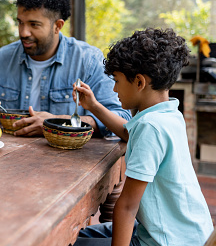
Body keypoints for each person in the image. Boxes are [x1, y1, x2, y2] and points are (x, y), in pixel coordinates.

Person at [73, 28, 213, 246]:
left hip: (166, 241)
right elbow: (128, 132)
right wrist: (93, 106)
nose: (114, 88)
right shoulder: (168, 114)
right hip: (187, 233)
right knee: (83, 235)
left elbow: (127, 206)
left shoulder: (151, 127)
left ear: (139, 82)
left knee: (77, 243)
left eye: (117, 81)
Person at [0, 0, 130, 136]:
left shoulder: (88, 60)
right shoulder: (2, 59)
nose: (23, 32)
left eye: (34, 25)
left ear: (58, 26)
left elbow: (121, 119)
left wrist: (56, 123)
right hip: (7, 158)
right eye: (20, 23)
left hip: (70, 160)